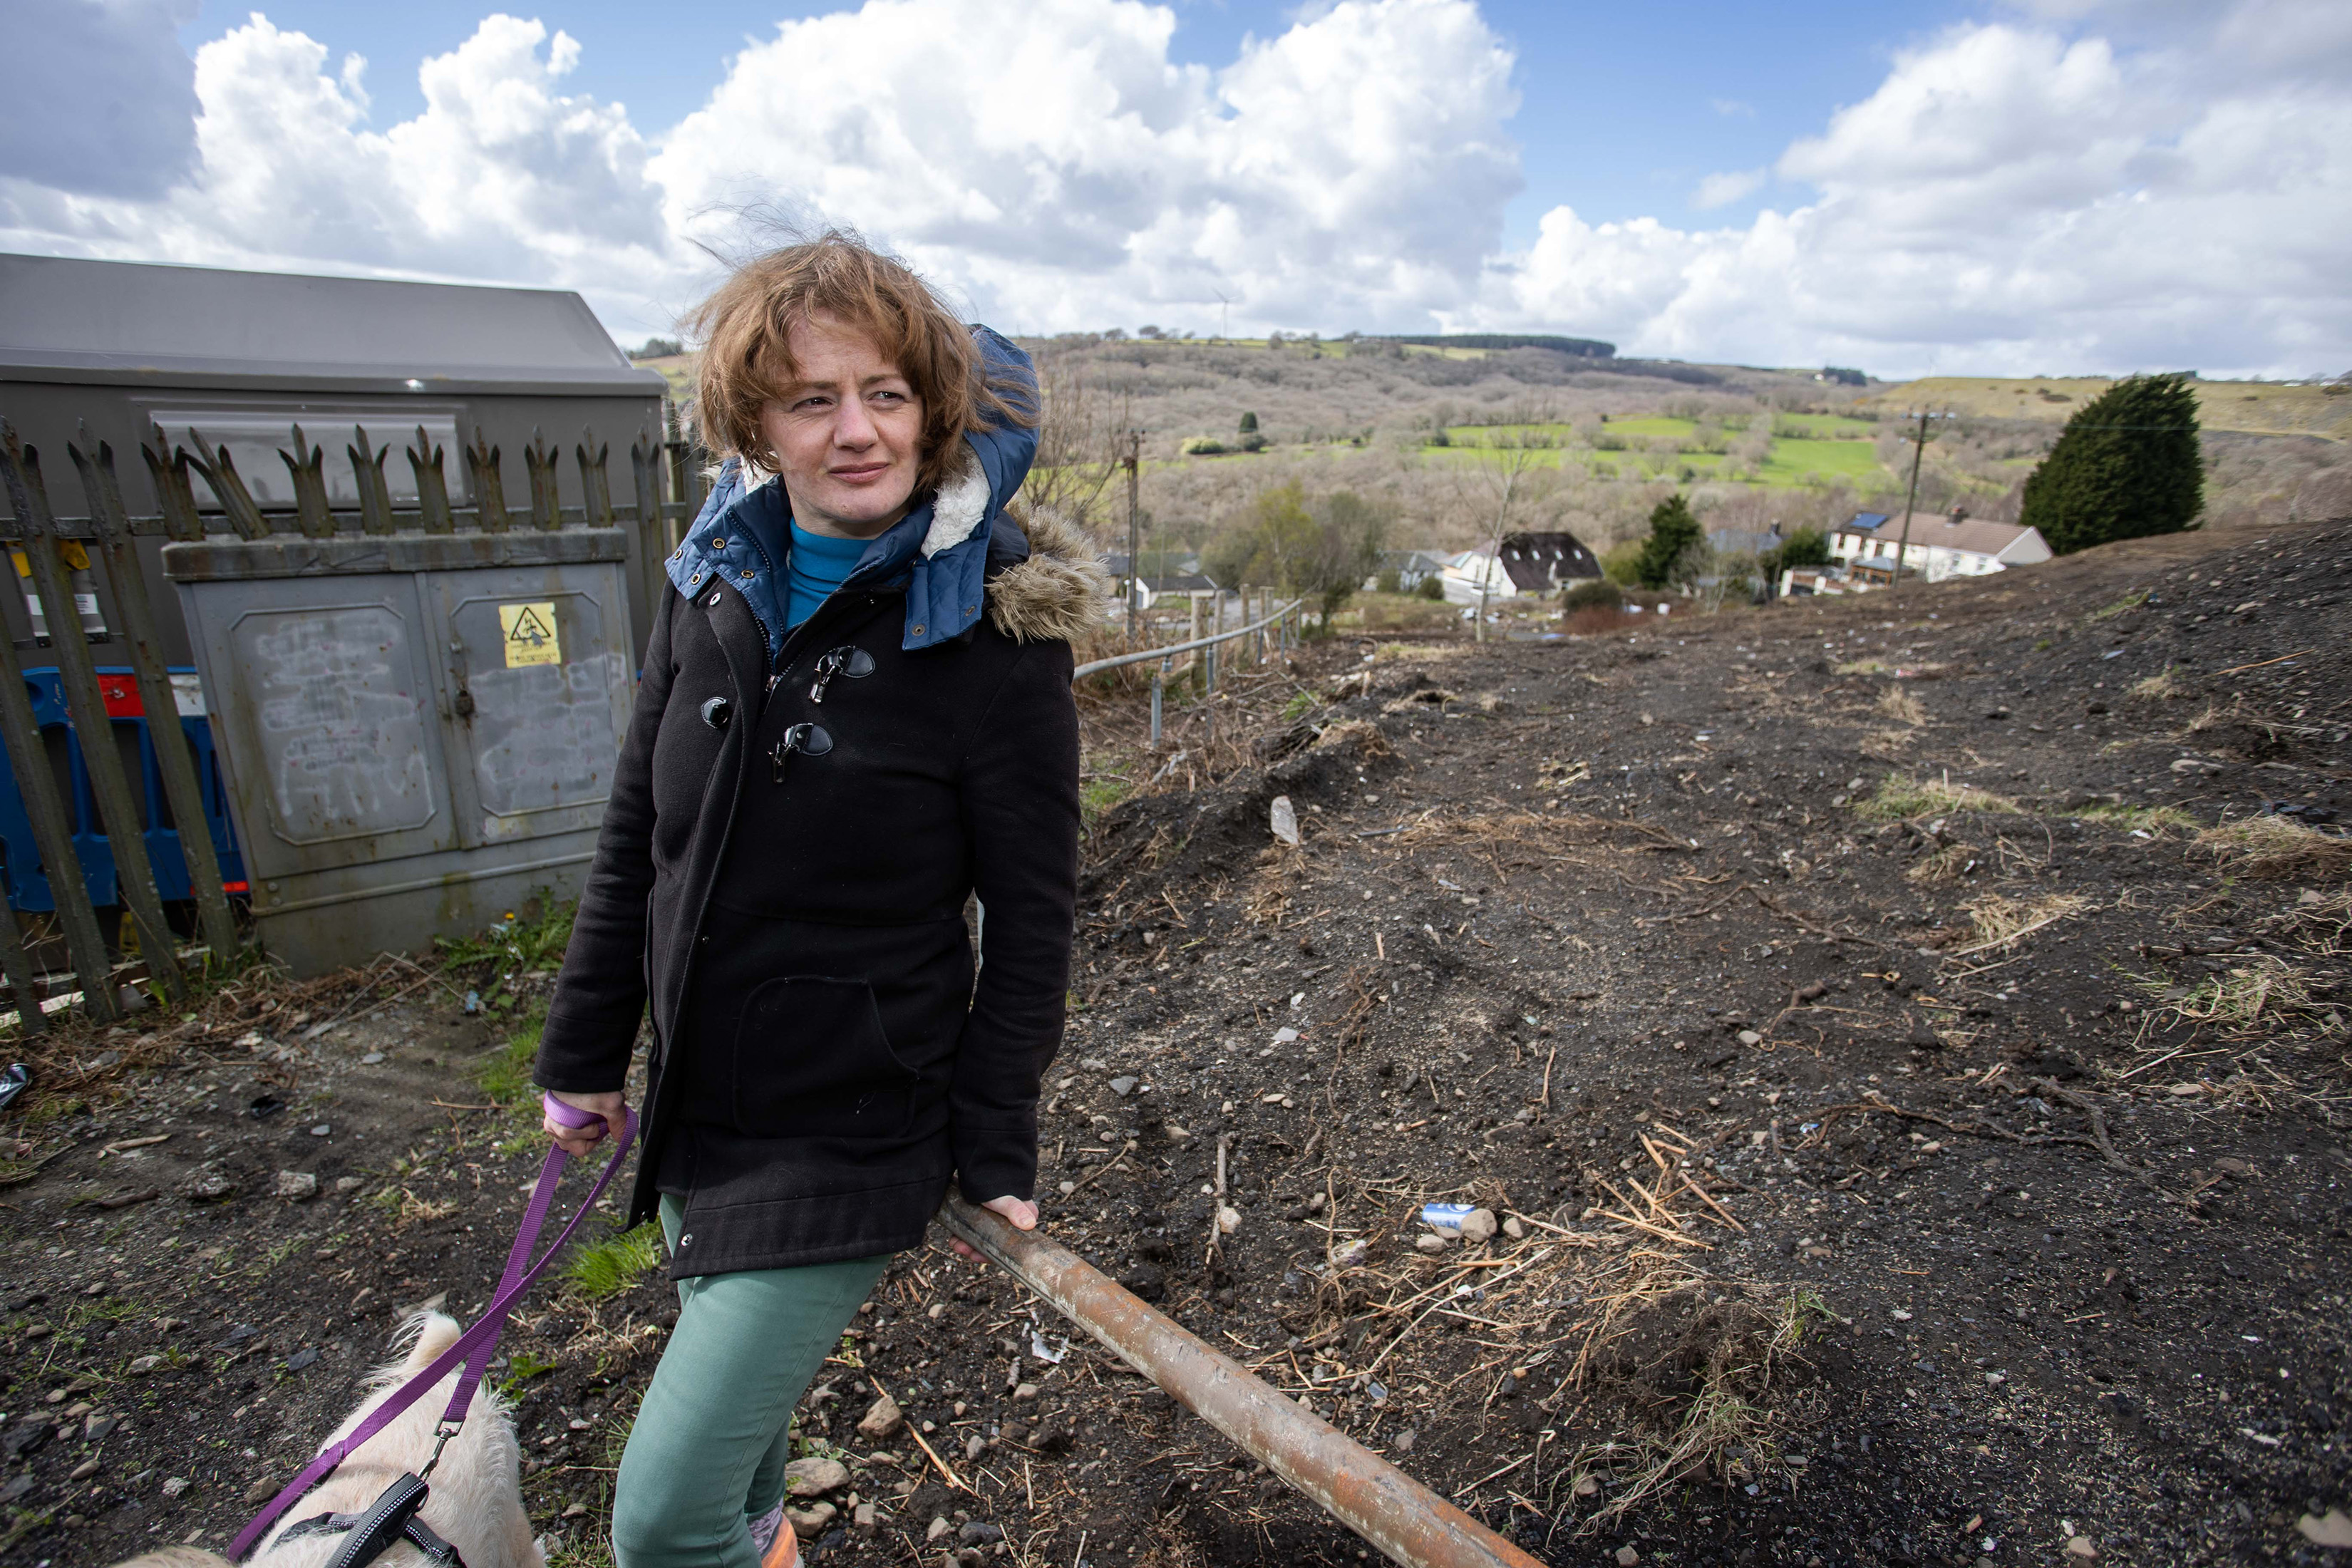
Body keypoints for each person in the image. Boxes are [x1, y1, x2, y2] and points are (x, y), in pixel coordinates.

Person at [531, 233, 1102, 1568]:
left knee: (666, 1526)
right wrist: (581, 1055)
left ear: (936, 411)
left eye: (889, 394)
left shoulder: (993, 639)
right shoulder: (711, 589)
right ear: (754, 427)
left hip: (852, 1132)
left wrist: (996, 1142)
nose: (860, 431)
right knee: (738, 1487)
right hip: (697, 1109)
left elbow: (1032, 918)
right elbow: (640, 843)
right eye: (814, 399)